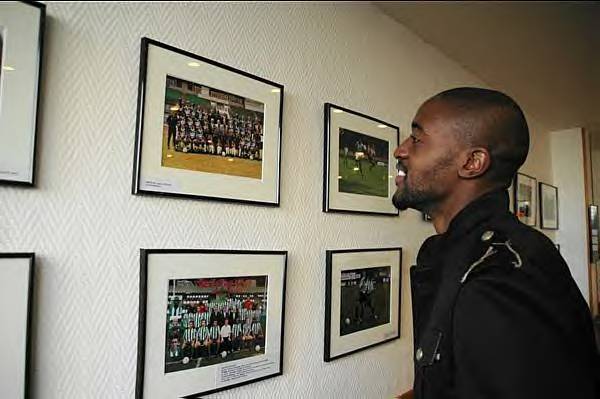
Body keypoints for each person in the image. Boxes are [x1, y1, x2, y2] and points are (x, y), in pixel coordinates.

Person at [392, 87, 600, 398]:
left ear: (473, 162)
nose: (401, 151)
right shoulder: (466, 254)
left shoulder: (500, 276)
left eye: (417, 139)